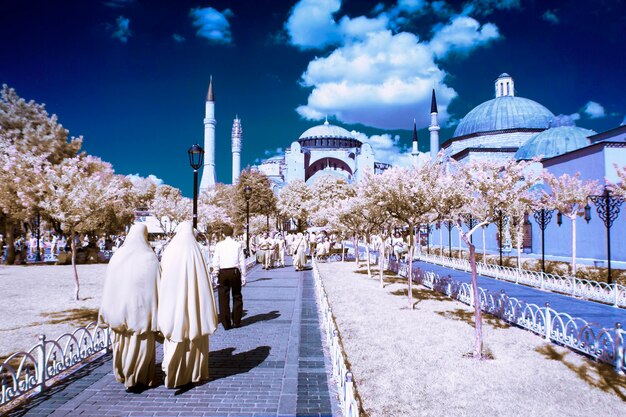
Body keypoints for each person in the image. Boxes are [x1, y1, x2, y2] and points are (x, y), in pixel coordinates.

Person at [98, 224, 160, 392]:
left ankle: (124, 373)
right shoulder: (150, 258)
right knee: (141, 345)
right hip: (142, 311)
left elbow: (110, 284)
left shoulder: (118, 256)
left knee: (122, 343)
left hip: (120, 311)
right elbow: (157, 284)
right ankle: (139, 377)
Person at [158, 221, 218, 388]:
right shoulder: (196, 251)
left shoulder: (170, 250)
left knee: (175, 332)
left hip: (173, 302)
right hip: (195, 304)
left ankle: (173, 370)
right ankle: (195, 373)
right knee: (195, 335)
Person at [212, 224, 247, 330]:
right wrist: (244, 275)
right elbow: (242, 261)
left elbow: (216, 260)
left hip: (223, 272)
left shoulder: (219, 245)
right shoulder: (238, 245)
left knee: (223, 298)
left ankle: (226, 323)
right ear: (232, 233)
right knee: (237, 296)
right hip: (235, 271)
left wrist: (215, 272)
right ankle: (237, 321)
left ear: (223, 234)